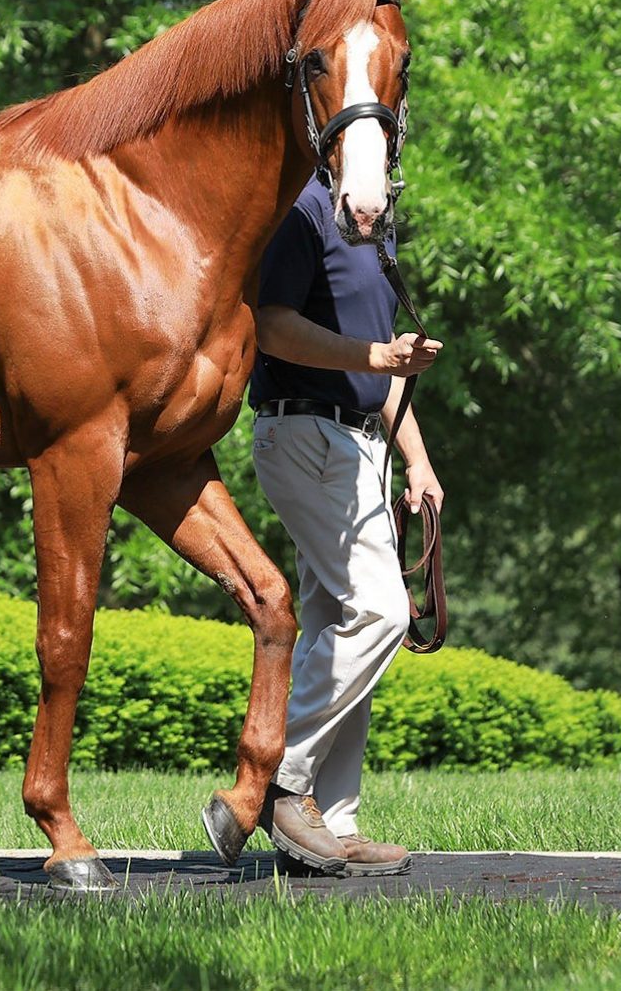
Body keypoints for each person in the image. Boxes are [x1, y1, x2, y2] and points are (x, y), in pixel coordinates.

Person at [249, 175, 443, 877]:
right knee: (383, 611)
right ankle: (275, 774)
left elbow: (384, 362)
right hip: (305, 432)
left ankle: (332, 821)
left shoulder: (376, 222)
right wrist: (375, 356)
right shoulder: (302, 211)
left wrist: (417, 461)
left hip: (360, 446)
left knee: (340, 616)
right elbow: (270, 325)